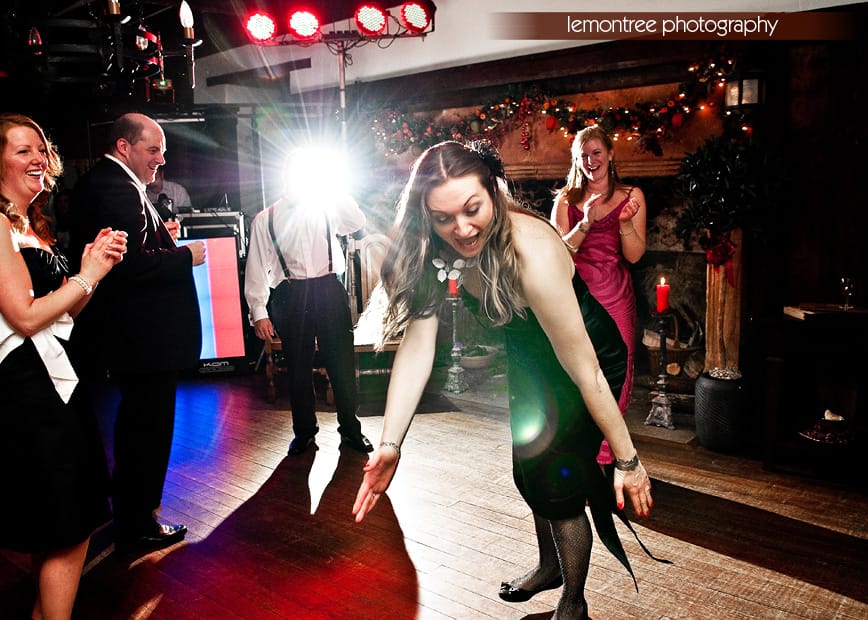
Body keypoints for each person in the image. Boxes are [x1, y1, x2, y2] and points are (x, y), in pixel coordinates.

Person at [352, 140, 655, 620]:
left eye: (472, 209)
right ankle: (550, 567)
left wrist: (628, 460)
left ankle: (573, 603)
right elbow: (418, 345)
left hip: (586, 357)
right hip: (530, 356)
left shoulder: (530, 250)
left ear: (493, 191)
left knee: (558, 480)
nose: (461, 229)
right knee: (528, 466)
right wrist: (390, 443)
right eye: (443, 218)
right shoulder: (437, 247)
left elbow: (587, 371)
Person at [0, 113, 127, 619]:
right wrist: (86, 275)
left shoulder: (29, 225)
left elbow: (62, 315)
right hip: (26, 391)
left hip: (57, 383)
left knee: (66, 518)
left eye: (40, 149)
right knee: (67, 521)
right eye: (22, 150)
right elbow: (26, 317)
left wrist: (93, 269)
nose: (38, 159)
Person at [69, 112, 206, 554]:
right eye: (153, 149)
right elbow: (127, 267)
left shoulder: (111, 183)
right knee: (146, 431)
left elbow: (135, 247)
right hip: (142, 340)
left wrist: (163, 238)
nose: (160, 159)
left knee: (140, 428)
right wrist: (185, 256)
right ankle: (137, 523)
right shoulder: (115, 185)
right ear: (124, 147)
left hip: (138, 338)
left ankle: (132, 516)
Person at [243, 153, 373, 457]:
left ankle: (351, 430)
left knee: (341, 364)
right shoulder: (266, 219)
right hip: (290, 294)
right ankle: (303, 433)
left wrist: (333, 188)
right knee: (298, 368)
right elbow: (256, 267)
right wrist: (259, 311)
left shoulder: (328, 205)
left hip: (328, 288)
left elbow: (357, 221)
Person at [550, 125, 647, 467]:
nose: (591, 161)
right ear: (576, 161)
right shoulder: (565, 200)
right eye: (584, 156)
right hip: (576, 300)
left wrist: (625, 224)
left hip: (617, 298)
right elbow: (558, 256)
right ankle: (582, 449)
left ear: (610, 154)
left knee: (617, 372)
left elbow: (634, 256)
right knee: (579, 373)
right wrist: (585, 223)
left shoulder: (632, 196)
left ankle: (608, 456)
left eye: (596, 153)